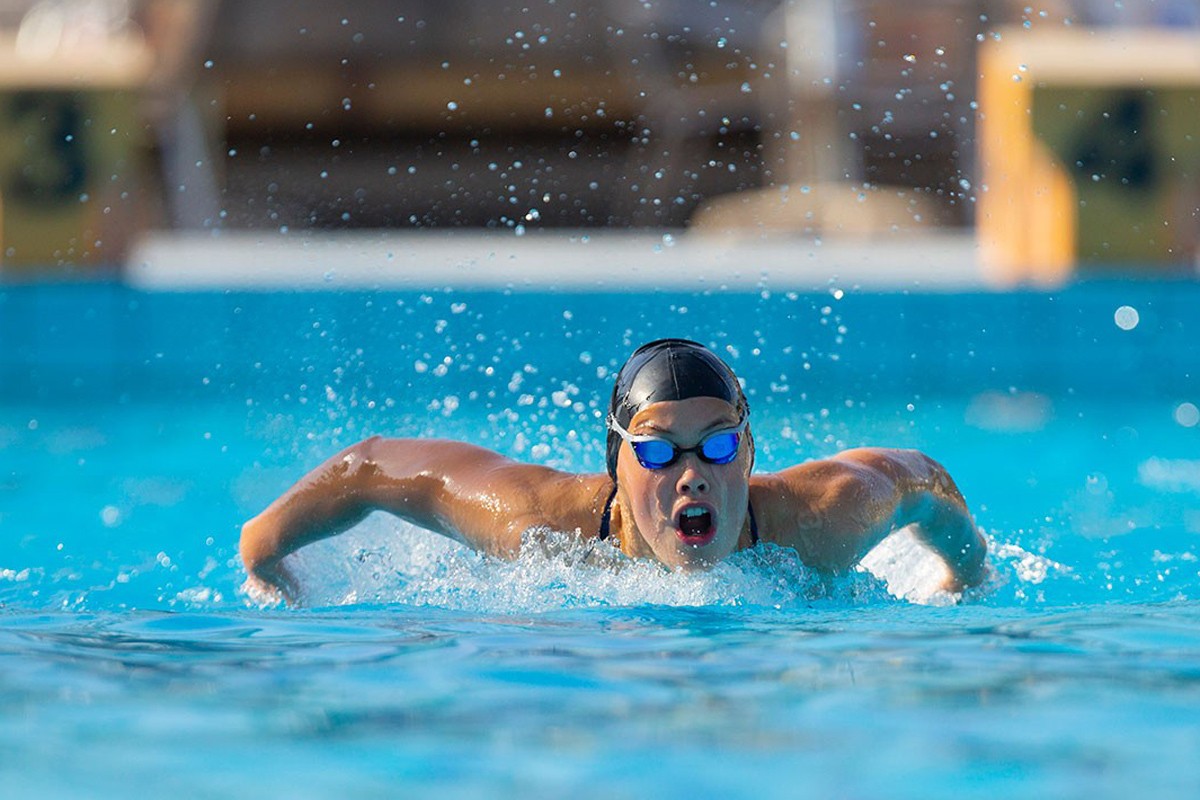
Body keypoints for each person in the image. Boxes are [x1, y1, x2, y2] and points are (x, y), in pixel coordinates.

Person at [240, 338, 987, 603]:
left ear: (751, 452)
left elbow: (924, 481)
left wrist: (967, 572)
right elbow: (370, 466)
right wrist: (266, 549)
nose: (691, 476)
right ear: (616, 465)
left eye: (718, 446)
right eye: (658, 451)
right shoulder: (539, 526)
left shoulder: (825, 519)